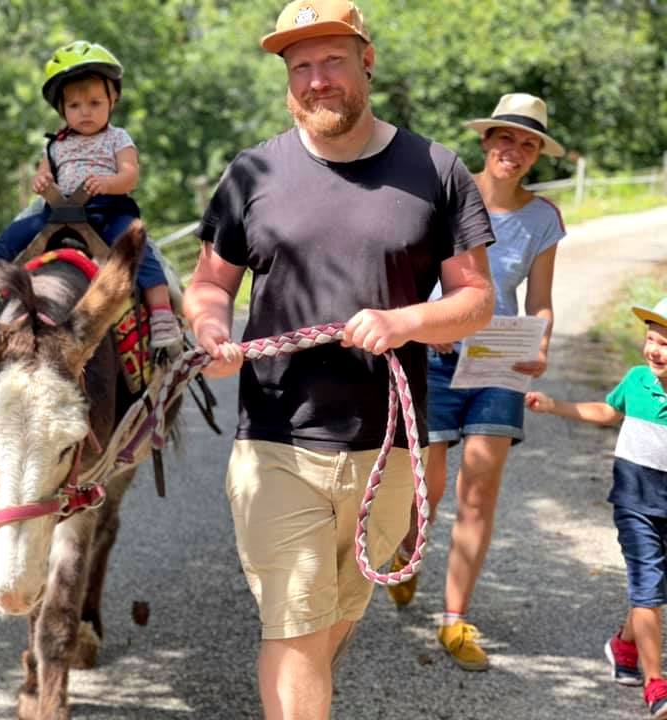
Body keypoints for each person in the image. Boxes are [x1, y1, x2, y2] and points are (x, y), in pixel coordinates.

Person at [182, 1, 496, 717]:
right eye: (300, 68)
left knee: (330, 624)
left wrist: (405, 320)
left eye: (331, 62)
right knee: (293, 630)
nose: (316, 80)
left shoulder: (437, 170)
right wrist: (209, 329)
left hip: (387, 451)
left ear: (366, 61)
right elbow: (208, 283)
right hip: (276, 444)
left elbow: (475, 300)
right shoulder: (253, 172)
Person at [385, 92, 567, 671]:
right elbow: (408, 274)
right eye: (506, 138)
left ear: (537, 155)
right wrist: (427, 322)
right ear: (487, 142)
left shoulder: (543, 219)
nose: (514, 150)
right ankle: (408, 548)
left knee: (478, 493)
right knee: (428, 488)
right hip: (435, 355)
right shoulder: (445, 198)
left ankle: (455, 620)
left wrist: (539, 343)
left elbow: (539, 302)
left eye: (528, 143)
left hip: (498, 363)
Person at [0, 40, 179, 348]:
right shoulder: (56, 145)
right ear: (62, 109)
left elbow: (130, 174)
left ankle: (161, 313)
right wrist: (41, 182)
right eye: (75, 106)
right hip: (55, 210)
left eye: (95, 103)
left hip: (107, 209)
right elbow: (44, 173)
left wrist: (109, 183)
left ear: (113, 99)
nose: (85, 113)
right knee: (13, 235)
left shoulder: (118, 138)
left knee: (137, 247)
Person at [526, 298, 667, 719]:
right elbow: (607, 411)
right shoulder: (637, 380)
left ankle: (624, 644)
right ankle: (656, 682)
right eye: (651, 339)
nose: (654, 349)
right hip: (635, 504)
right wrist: (556, 407)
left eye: (665, 343)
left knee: (655, 586)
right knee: (648, 587)